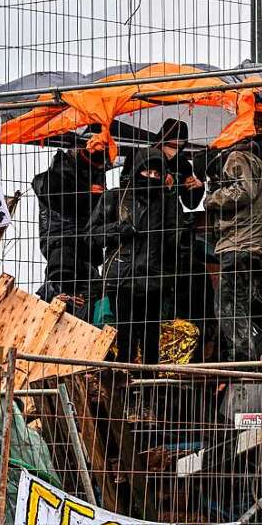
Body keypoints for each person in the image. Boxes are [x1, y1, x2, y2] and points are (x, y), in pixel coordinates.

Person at [86, 148, 177, 364]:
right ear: (137, 171)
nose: (152, 178)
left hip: (153, 283)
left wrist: (170, 277)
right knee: (123, 340)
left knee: (150, 343)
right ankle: (122, 388)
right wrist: (118, 229)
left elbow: (177, 240)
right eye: (148, 173)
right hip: (122, 282)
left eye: (157, 174)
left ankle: (149, 393)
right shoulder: (115, 197)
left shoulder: (166, 203)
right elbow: (91, 235)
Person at [204, 141, 262, 362]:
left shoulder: (237, 157)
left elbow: (242, 191)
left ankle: (242, 360)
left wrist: (211, 199)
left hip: (240, 243)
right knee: (254, 306)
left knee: (228, 305)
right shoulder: (259, 165)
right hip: (256, 245)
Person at [31, 135, 107, 319]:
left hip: (86, 251)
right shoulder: (54, 179)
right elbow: (65, 201)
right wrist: (91, 195)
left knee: (89, 300)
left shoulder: (95, 175)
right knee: (62, 298)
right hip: (64, 249)